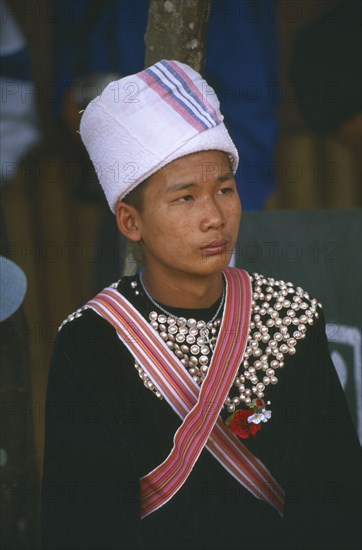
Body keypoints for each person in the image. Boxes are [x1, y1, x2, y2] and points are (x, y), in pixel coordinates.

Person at [41, 60, 361, 550]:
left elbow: (335, 497)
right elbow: (83, 522)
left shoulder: (291, 315)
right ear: (131, 222)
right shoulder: (93, 339)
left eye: (225, 191)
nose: (214, 217)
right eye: (185, 198)